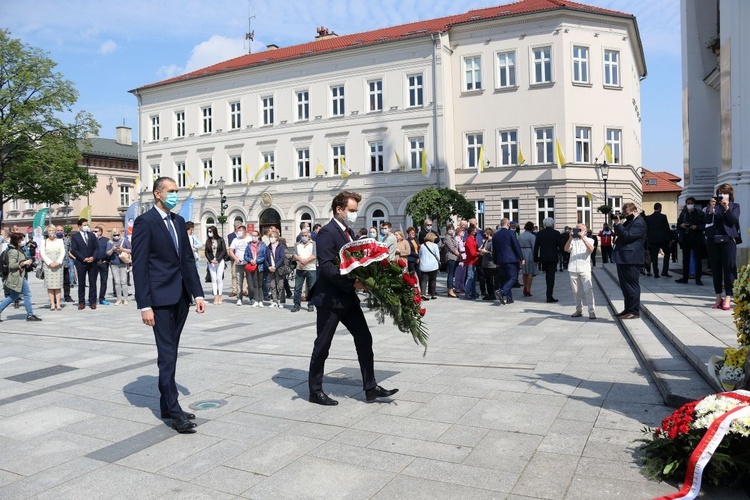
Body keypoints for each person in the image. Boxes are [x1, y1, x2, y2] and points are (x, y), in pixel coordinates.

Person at [307, 190, 398, 406]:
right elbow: (327, 267)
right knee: (323, 344)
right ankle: (315, 390)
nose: (354, 214)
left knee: (364, 338)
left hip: (348, 298)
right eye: (351, 210)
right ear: (339, 209)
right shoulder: (327, 233)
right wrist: (352, 283)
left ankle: (370, 387)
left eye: (355, 211)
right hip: (330, 299)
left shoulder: (349, 232)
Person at [132, 176, 205, 433]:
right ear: (157, 194)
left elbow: (187, 260)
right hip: (159, 300)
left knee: (172, 351)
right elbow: (140, 267)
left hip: (180, 298)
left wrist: (197, 294)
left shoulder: (178, 221)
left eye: (177, 191)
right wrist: (145, 305)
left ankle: (167, 404)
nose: (175, 195)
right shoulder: (145, 222)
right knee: (166, 354)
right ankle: (174, 412)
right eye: (171, 191)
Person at [704, 184, 741, 310]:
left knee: (729, 269)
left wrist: (726, 208)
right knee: (716, 269)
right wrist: (710, 209)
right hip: (713, 240)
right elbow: (707, 221)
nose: (722, 196)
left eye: (724, 193)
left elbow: (732, 221)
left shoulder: (735, 206)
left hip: (728, 241)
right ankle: (718, 297)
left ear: (730, 194)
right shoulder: (713, 206)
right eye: (720, 193)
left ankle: (728, 297)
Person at [612, 202, 647, 319]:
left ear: (635, 211)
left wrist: (618, 224)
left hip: (631, 258)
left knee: (632, 285)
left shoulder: (639, 223)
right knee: (625, 286)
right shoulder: (630, 221)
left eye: (627, 214)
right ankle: (627, 309)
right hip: (624, 257)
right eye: (625, 214)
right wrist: (619, 223)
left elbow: (627, 236)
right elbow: (620, 233)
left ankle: (634, 311)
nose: (626, 216)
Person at [0, 233, 42, 321]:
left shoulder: (17, 249)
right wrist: (24, 263)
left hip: (19, 275)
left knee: (13, 296)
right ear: (16, 241)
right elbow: (12, 265)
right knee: (27, 294)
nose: (22, 241)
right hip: (17, 276)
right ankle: (30, 315)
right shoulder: (13, 251)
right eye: (20, 240)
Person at [565, 223, 596, 319]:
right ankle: (579, 309)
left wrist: (583, 238)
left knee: (588, 289)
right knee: (575, 291)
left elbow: (591, 249)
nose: (578, 231)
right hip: (573, 268)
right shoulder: (573, 241)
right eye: (577, 229)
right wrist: (570, 238)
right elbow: (566, 249)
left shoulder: (590, 240)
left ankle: (591, 311)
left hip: (585, 268)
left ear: (585, 231)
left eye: (581, 230)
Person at [492, 218, 524, 305]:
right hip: (511, 259)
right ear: (508, 224)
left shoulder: (495, 235)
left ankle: (509, 298)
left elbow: (494, 249)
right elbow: (516, 246)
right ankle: (502, 292)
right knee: (513, 278)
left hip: (500, 260)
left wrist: (495, 261)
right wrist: (521, 258)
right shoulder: (511, 233)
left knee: (505, 279)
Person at [675, 197, 705, 286]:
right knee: (686, 259)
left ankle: (698, 278)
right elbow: (678, 226)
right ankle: (685, 278)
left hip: (696, 238)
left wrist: (697, 227)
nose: (690, 204)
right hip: (686, 239)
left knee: (697, 259)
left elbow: (704, 225)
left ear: (694, 204)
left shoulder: (699, 213)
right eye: (688, 203)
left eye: (691, 203)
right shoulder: (683, 214)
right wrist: (682, 225)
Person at [70, 218, 98, 310]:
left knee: (92, 282)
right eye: (84, 225)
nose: (86, 227)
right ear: (79, 226)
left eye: (87, 225)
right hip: (81, 262)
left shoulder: (92, 235)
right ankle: (81, 302)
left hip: (92, 262)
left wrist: (93, 257)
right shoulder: (75, 236)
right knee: (81, 283)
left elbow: (96, 247)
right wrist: (84, 258)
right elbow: (74, 250)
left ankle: (92, 301)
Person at [533, 218, 563, 303]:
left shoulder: (540, 233)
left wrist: (536, 259)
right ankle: (549, 296)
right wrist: (565, 256)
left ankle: (549, 295)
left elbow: (536, 247)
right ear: (552, 224)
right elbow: (561, 246)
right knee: (551, 277)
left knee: (547, 276)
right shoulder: (556, 233)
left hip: (544, 258)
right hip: (553, 257)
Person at [40, 225, 65, 311]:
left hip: (58, 265)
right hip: (48, 266)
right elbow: (42, 253)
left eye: (53, 230)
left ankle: (58, 303)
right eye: (49, 230)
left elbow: (63, 252)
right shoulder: (44, 242)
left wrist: (58, 261)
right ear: (47, 232)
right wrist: (50, 263)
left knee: (57, 285)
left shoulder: (60, 241)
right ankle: (52, 304)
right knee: (50, 286)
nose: (51, 232)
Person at [292, 228, 317, 312]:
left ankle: (311, 304)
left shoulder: (313, 244)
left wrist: (305, 261)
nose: (304, 237)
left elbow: (314, 255)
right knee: (297, 288)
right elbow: (295, 255)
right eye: (302, 235)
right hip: (300, 268)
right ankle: (296, 304)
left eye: (305, 235)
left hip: (311, 268)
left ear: (309, 236)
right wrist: (301, 261)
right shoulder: (297, 244)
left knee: (311, 288)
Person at [646, 203, 672, 278]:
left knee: (654, 256)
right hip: (663, 239)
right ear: (660, 208)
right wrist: (670, 239)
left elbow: (647, 229)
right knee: (667, 253)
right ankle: (664, 271)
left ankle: (656, 273)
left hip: (653, 240)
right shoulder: (663, 217)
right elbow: (667, 228)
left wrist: (648, 239)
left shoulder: (649, 218)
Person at [228, 225, 252, 306]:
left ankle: (252, 298)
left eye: (240, 230)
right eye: (238, 231)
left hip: (248, 263)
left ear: (245, 231)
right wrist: (235, 258)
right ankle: (239, 298)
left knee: (250, 282)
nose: (239, 232)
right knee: (239, 282)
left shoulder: (249, 239)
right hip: (239, 263)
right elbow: (231, 251)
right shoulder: (235, 240)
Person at [107, 228, 131, 305]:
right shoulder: (109, 242)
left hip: (123, 263)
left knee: (124, 281)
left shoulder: (124, 241)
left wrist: (122, 249)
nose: (116, 236)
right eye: (114, 235)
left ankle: (125, 298)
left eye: (117, 234)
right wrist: (113, 249)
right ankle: (118, 298)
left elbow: (131, 250)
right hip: (114, 263)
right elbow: (107, 253)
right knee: (117, 282)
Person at [204, 225, 228, 304]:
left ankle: (220, 296)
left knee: (219, 279)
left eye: (210, 231)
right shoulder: (208, 241)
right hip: (211, 262)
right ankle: (215, 296)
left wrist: (218, 259)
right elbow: (206, 252)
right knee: (213, 279)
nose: (209, 233)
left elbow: (224, 251)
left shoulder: (220, 240)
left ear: (214, 231)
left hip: (219, 261)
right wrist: (211, 260)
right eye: (208, 231)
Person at [265, 228, 286, 308]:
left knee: (280, 285)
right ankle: (274, 301)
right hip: (270, 269)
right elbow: (266, 259)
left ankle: (282, 300)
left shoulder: (280, 247)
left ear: (276, 238)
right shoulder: (268, 247)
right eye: (270, 237)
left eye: (273, 237)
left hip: (278, 268)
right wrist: (269, 266)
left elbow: (282, 257)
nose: (271, 238)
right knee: (272, 285)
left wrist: (275, 266)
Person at [227, 221, 246, 298]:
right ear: (236, 227)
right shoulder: (231, 236)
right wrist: (235, 257)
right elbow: (231, 247)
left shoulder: (245, 236)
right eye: (239, 227)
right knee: (234, 274)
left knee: (245, 275)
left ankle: (244, 289)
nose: (240, 229)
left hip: (244, 258)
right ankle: (234, 290)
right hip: (235, 258)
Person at [518, 221, 537, 297]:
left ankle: (525, 287)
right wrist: (536, 258)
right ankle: (528, 289)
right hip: (529, 253)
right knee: (530, 272)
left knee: (524, 272)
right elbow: (534, 247)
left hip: (522, 252)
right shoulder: (532, 236)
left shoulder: (520, 236)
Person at [93, 226, 111, 305]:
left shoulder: (106, 241)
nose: (95, 233)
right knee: (93, 281)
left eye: (96, 231)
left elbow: (110, 251)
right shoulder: (91, 240)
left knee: (104, 281)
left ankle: (102, 298)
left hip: (104, 262)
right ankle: (93, 299)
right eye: (94, 231)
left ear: (100, 232)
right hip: (94, 263)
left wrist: (107, 260)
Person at [419, 232, 440, 300]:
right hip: (433, 265)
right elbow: (437, 256)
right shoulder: (435, 245)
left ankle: (423, 293)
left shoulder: (422, 245)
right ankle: (433, 294)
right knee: (433, 280)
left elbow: (420, 255)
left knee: (424, 280)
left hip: (424, 265)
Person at [478, 227, 496, 300]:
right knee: (487, 280)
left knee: (490, 280)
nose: (484, 234)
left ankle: (492, 294)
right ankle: (488, 293)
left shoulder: (492, 242)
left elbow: (493, 253)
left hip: (491, 264)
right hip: (485, 263)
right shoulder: (486, 241)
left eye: (485, 233)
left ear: (488, 234)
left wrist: (486, 252)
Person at [443, 224, 460, 298]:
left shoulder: (452, 237)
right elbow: (452, 248)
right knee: (450, 274)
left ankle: (450, 289)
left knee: (452, 274)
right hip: (451, 257)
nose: (451, 230)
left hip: (455, 258)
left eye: (452, 228)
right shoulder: (447, 238)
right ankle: (450, 290)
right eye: (449, 229)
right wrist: (459, 255)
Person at [463, 225, 479, 300]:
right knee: (470, 277)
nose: (476, 231)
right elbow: (472, 253)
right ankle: (467, 293)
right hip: (471, 261)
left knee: (473, 278)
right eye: (475, 230)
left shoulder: (473, 239)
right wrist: (478, 253)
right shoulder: (469, 240)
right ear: (472, 232)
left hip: (474, 261)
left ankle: (473, 292)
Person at [454, 226, 467, 294]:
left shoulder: (461, 238)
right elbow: (457, 247)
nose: (463, 233)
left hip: (464, 256)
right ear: (459, 232)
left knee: (463, 273)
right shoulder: (456, 239)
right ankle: (457, 287)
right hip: (460, 256)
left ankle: (462, 286)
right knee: (458, 273)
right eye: (462, 232)